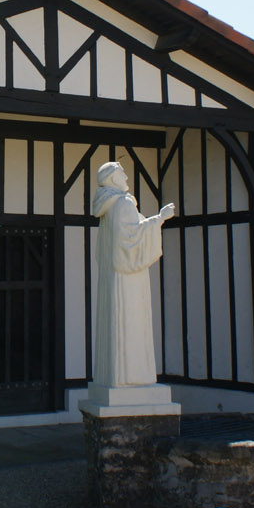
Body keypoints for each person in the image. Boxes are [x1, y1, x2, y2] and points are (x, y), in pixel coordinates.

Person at [91, 161, 175, 389]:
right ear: (113, 179)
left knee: (114, 325)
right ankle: (132, 376)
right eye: (122, 174)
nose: (126, 178)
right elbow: (131, 238)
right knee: (131, 324)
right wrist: (160, 218)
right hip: (128, 280)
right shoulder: (123, 203)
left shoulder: (107, 206)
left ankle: (114, 376)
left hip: (112, 277)